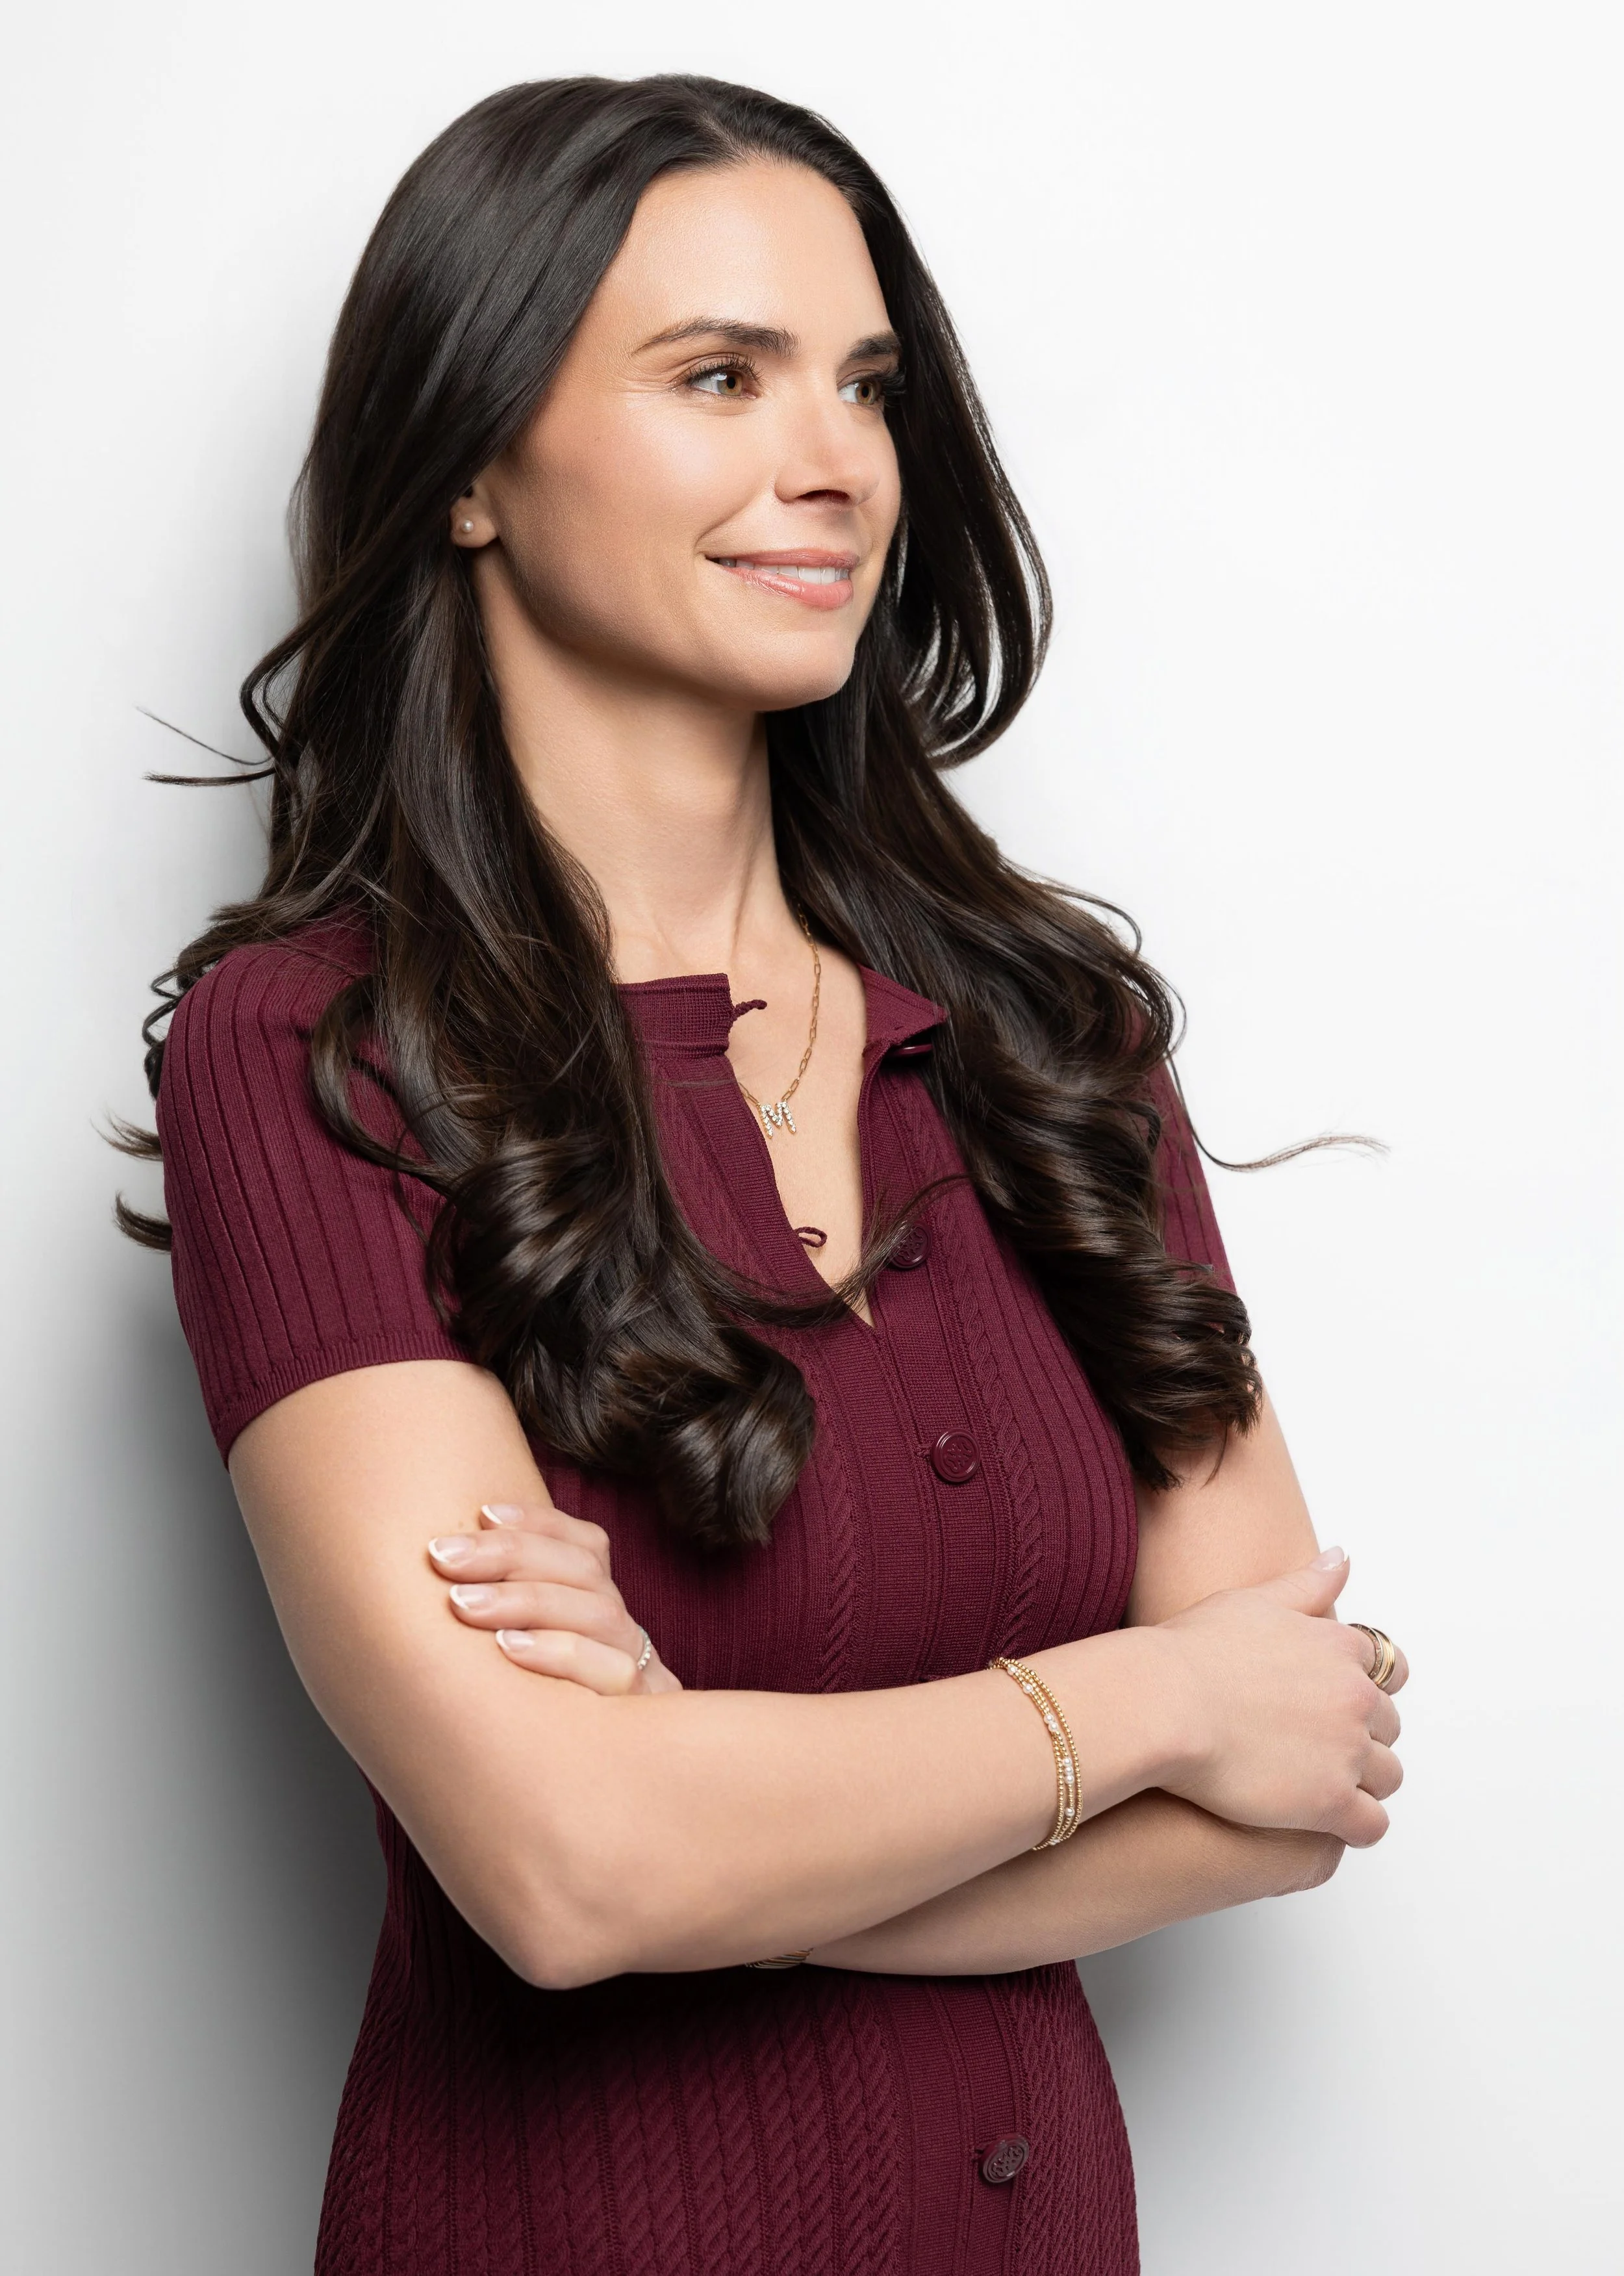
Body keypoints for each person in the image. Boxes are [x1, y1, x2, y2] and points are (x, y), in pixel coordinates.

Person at [121, 73, 1406, 2276]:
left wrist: (704, 1804)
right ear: (467, 468)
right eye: (718, 376)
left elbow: (1293, 1781)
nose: (835, 463)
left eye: (865, 384)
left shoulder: (1049, 1042)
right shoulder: (317, 1056)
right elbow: (567, 1876)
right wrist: (1142, 1701)